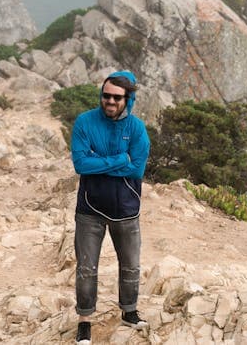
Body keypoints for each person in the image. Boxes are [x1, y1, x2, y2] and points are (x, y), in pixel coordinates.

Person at [70, 71, 151, 343]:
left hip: (127, 208)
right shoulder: (85, 122)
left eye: (117, 97)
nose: (110, 101)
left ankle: (129, 311)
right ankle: (84, 320)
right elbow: (81, 164)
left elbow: (137, 169)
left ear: (128, 99)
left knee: (130, 266)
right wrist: (119, 160)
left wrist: (99, 160)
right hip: (89, 208)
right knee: (86, 267)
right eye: (106, 95)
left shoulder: (137, 129)